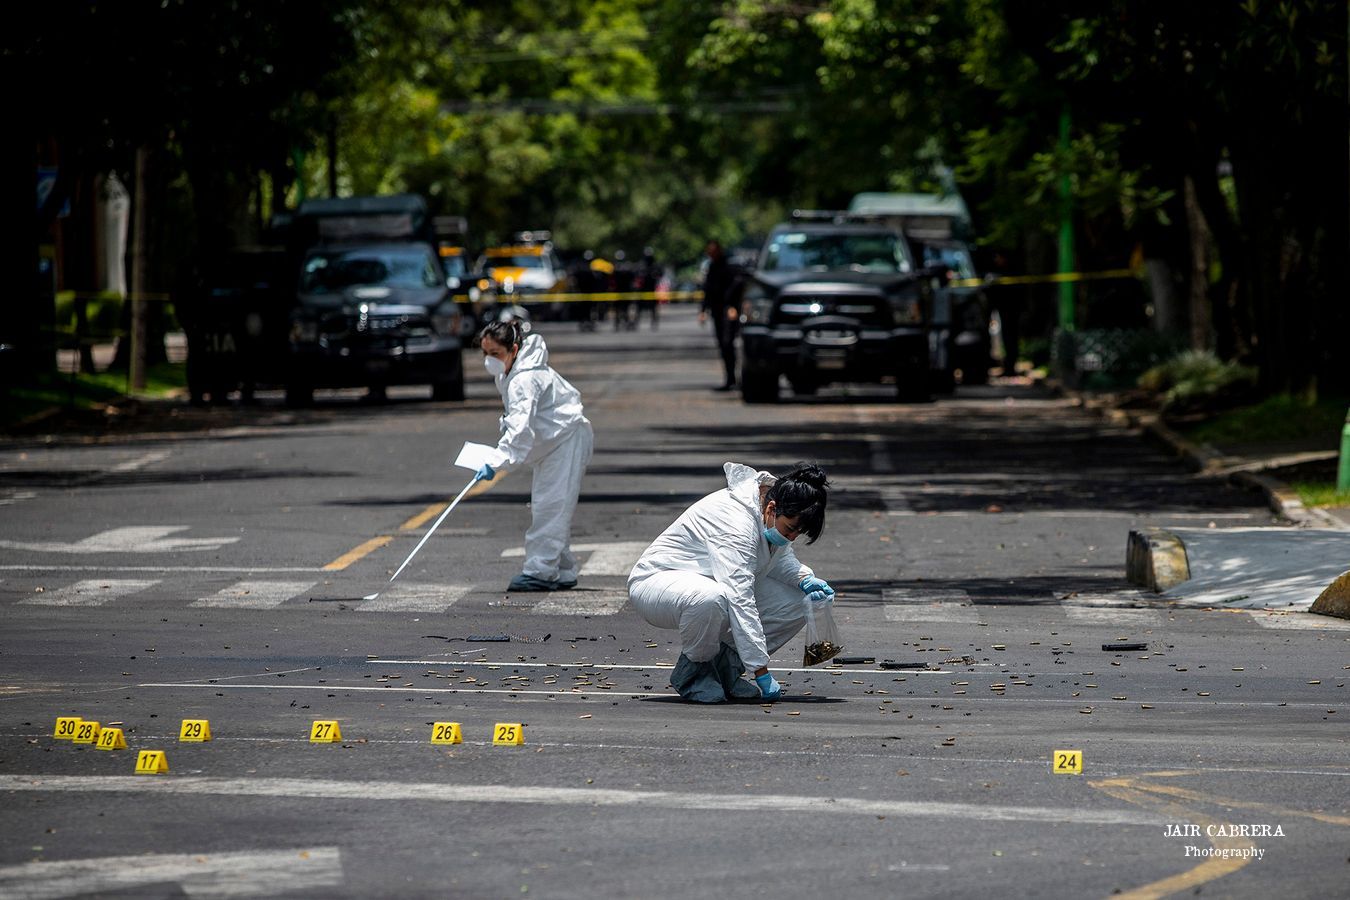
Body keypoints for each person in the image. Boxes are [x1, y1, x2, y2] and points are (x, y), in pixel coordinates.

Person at [628, 462, 835, 703]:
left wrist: (805, 579)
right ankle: (695, 672)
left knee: (802, 599)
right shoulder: (735, 523)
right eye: (789, 530)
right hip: (657, 582)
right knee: (711, 598)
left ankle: (727, 669)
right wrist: (761, 671)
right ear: (771, 508)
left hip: (711, 582)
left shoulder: (770, 510)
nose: (791, 538)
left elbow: (779, 559)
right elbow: (740, 597)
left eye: (796, 534)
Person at [473, 320, 594, 592]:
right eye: (485, 354)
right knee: (550, 504)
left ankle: (539, 571)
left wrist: (495, 462)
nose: (489, 361)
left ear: (514, 349)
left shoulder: (524, 379)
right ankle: (561, 570)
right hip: (556, 442)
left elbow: (520, 432)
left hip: (565, 440)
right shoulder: (512, 372)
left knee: (550, 505)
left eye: (495, 354)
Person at [698, 239, 739, 390]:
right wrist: (703, 311)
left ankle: (734, 377)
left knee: (728, 343)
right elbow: (707, 290)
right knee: (722, 344)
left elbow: (734, 287)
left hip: (728, 310)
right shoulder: (712, 267)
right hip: (716, 310)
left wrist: (733, 306)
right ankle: (729, 378)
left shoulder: (728, 266)